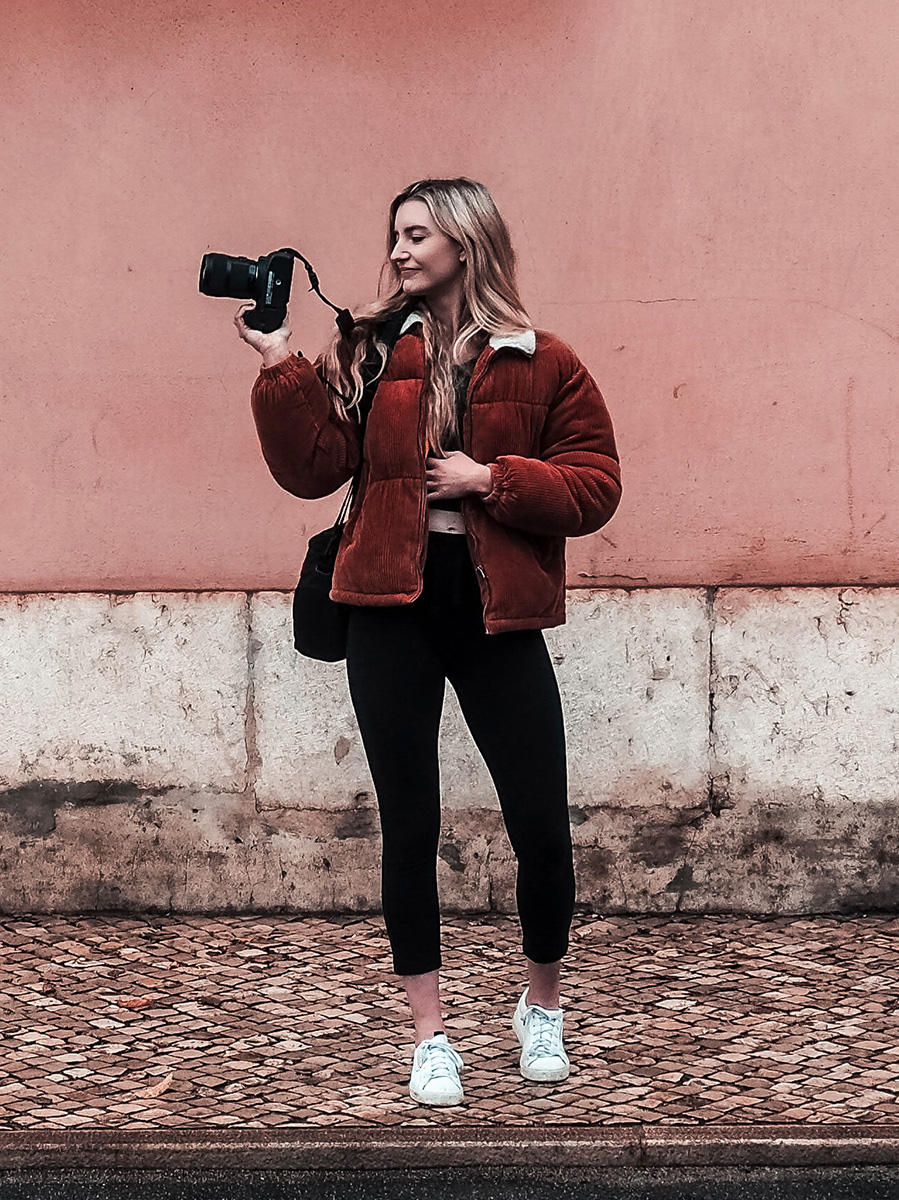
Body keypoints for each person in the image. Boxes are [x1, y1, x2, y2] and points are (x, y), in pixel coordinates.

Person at [236, 178, 621, 1107]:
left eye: (417, 235)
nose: (400, 251)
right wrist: (280, 362)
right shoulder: (369, 350)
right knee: (410, 824)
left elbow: (596, 485)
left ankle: (541, 1007)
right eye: (396, 236)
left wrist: (492, 480)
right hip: (388, 606)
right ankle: (430, 1035)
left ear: (464, 242)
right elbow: (312, 469)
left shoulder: (544, 360)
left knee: (540, 824)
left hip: (495, 611)